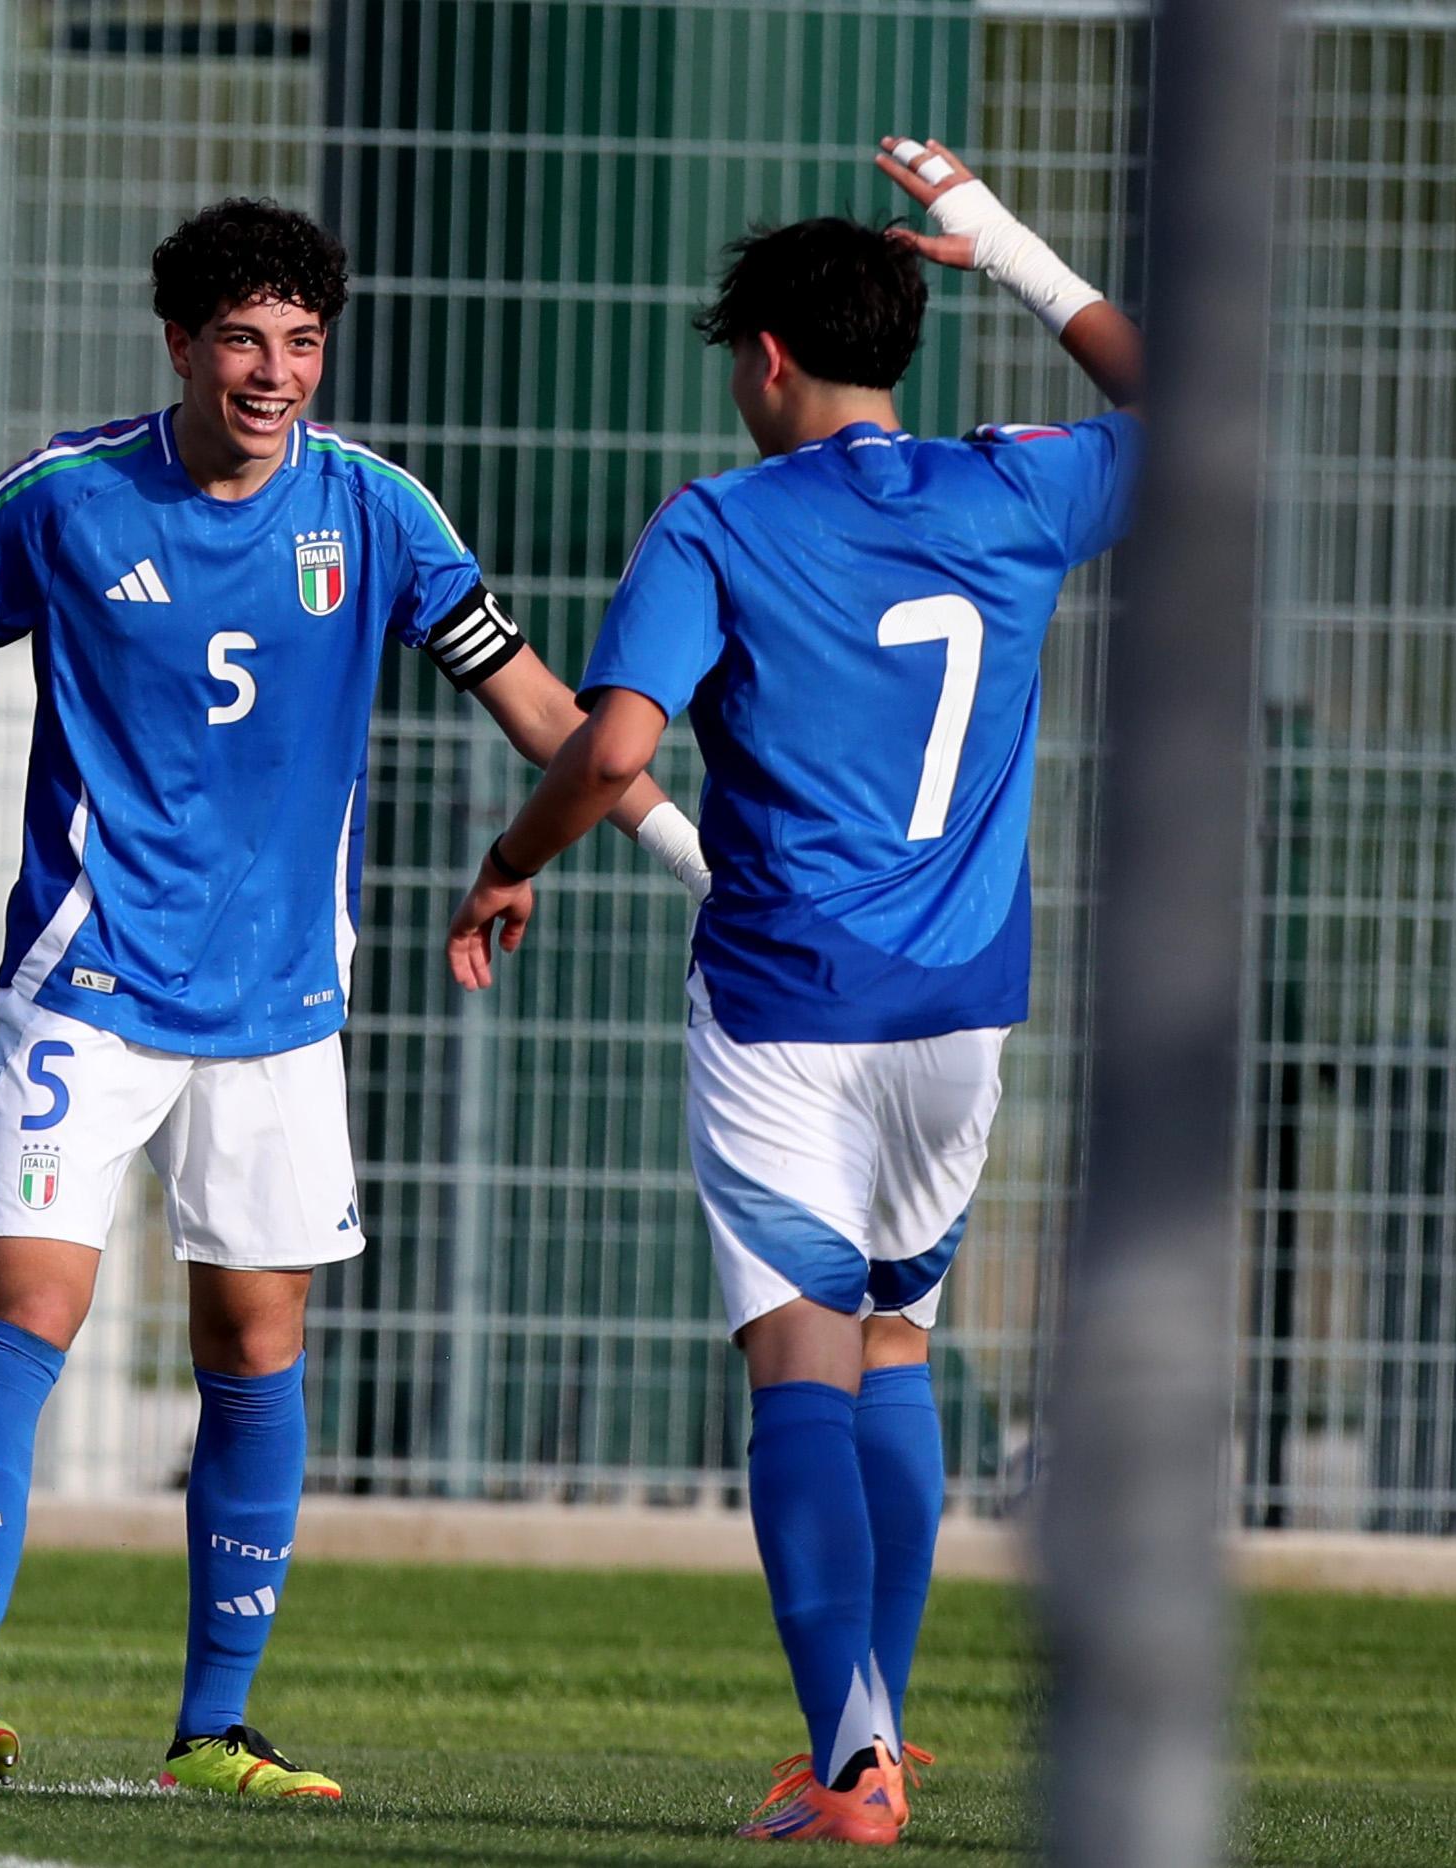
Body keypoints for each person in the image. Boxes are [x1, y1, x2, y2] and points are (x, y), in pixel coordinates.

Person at [0, 197, 710, 1799]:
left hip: (277, 1010)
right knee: (25, 1310)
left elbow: (546, 709)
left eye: (300, 342)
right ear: (180, 346)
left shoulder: (377, 511)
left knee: (256, 1341)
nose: (274, 373)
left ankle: (213, 1731)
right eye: (242, 341)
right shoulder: (70, 496)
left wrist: (691, 850)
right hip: (85, 983)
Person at [443, 139, 1144, 1845]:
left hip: (783, 1007)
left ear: (764, 359)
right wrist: (1013, 253)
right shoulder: (1015, 488)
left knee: (799, 1369)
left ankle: (848, 1767)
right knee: (895, 1343)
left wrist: (514, 859)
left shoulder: (719, 521)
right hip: (960, 1009)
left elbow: (613, 745)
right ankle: (874, 1731)